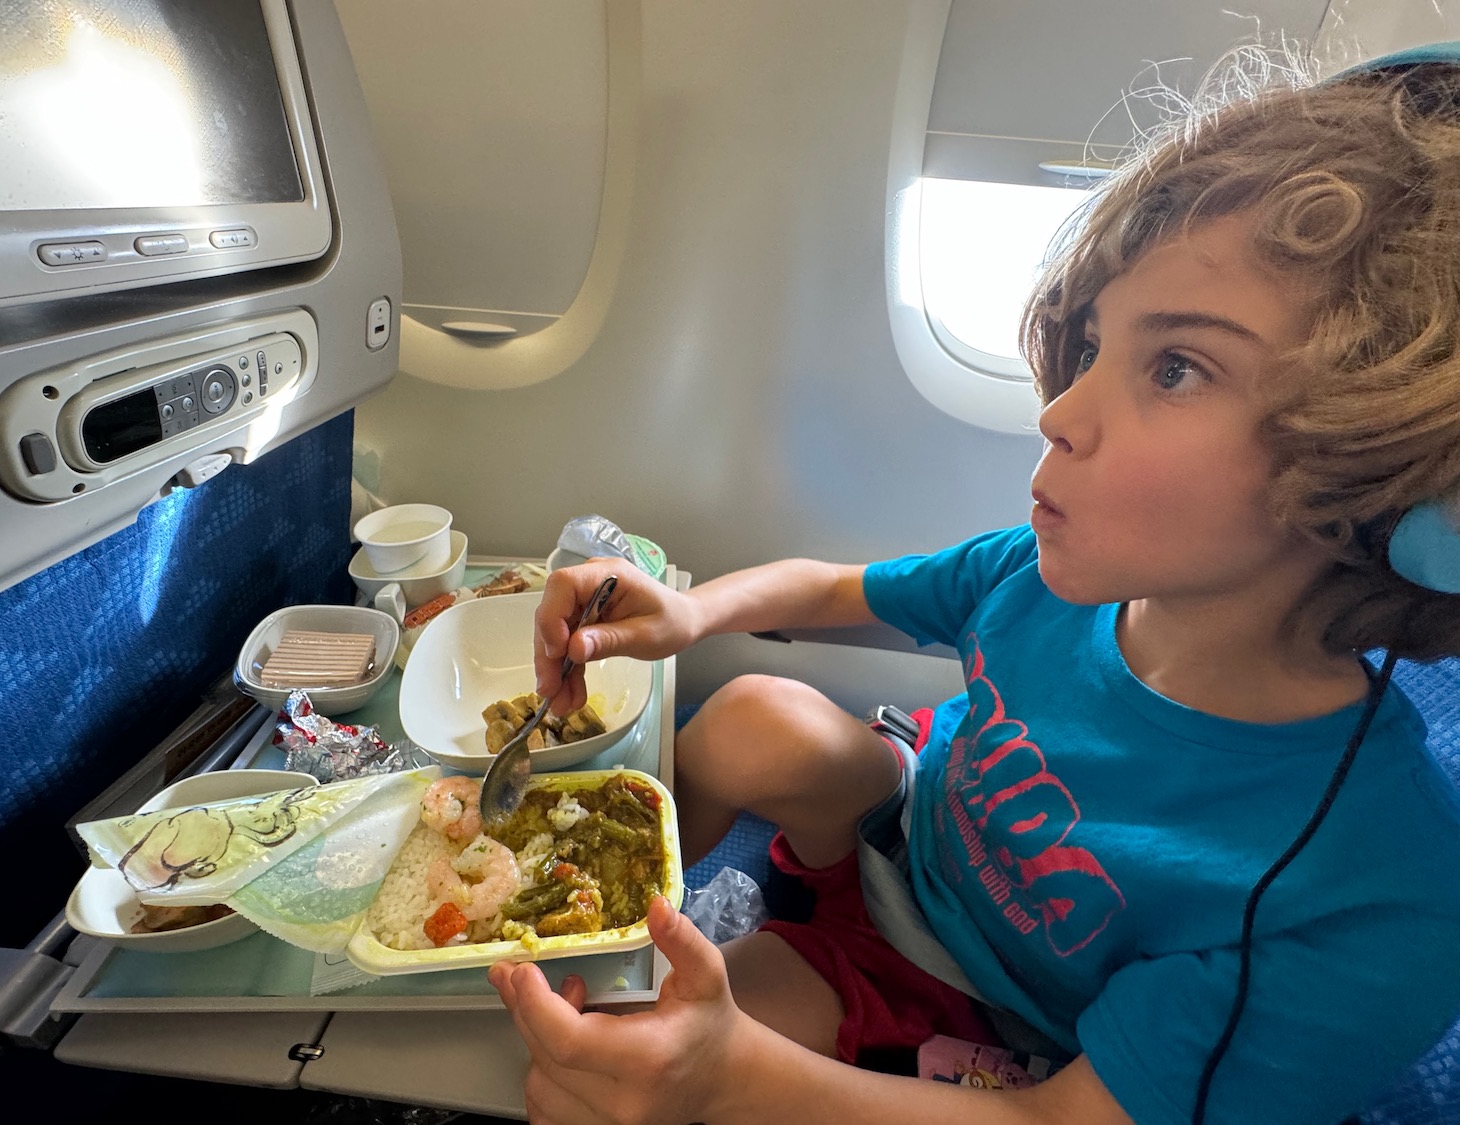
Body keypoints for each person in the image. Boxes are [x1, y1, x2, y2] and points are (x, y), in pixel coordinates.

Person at [488, 45, 1460, 1125]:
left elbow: (1064, 1121)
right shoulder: (1049, 582)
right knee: (752, 718)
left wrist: (724, 1071)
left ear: (1387, 483)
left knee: (604, 1075)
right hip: (909, 835)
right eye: (1094, 346)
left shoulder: (1371, 896)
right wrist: (693, 610)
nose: (1059, 412)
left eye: (1176, 368)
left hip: (983, 1015)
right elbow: (832, 587)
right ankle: (603, 918)